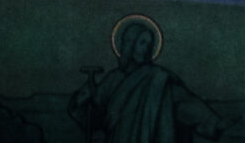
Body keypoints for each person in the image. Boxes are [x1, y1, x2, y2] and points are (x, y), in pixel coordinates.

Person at [67, 16, 226, 141]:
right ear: (130, 44)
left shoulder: (159, 79)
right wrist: (81, 101)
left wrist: (213, 123)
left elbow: (184, 102)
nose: (147, 48)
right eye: (142, 42)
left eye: (149, 44)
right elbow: (94, 118)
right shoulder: (113, 79)